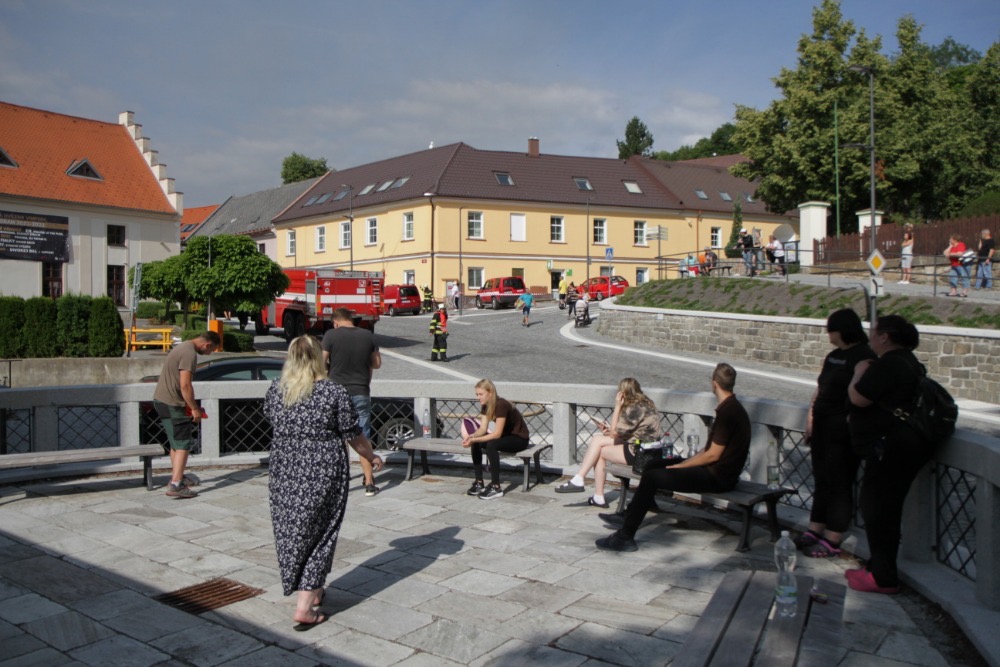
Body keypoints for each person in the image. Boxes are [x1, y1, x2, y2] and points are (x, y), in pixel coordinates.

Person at [265, 335, 383, 629]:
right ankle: (305, 606)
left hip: (284, 470)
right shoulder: (332, 392)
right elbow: (353, 434)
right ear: (319, 358)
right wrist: (371, 456)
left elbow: (271, 419)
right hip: (322, 469)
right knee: (322, 532)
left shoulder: (276, 390)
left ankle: (312, 588)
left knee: (292, 530)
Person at [595, 363, 750, 552]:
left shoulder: (728, 413)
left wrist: (682, 466)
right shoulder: (732, 407)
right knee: (653, 464)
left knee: (652, 477)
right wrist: (684, 461)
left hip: (717, 478)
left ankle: (625, 535)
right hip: (717, 472)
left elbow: (712, 455)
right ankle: (635, 510)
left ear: (714, 383)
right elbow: (709, 450)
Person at [846, 315, 931, 594]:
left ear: (884, 337)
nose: (870, 336)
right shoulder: (909, 362)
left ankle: (883, 577)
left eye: (873, 332)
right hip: (904, 445)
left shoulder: (890, 363)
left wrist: (858, 371)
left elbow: (858, 397)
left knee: (877, 509)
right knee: (883, 508)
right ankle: (877, 569)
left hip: (890, 448)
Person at [799, 309, 875, 558]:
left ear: (842, 331)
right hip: (822, 424)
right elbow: (820, 388)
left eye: (830, 330)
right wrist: (811, 417)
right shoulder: (833, 356)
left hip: (842, 428)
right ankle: (815, 527)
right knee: (822, 478)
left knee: (840, 482)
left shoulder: (863, 356)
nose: (828, 335)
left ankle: (833, 536)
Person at [554, 378, 660, 508]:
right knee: (597, 440)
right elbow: (629, 431)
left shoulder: (634, 408)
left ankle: (593, 491)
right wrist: (608, 431)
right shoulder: (647, 403)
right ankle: (580, 480)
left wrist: (617, 406)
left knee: (600, 452)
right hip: (648, 448)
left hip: (640, 454)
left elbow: (615, 434)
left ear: (623, 393)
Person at [321, 307, 382, 496]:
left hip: (336, 392)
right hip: (361, 391)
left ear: (336, 322)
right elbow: (377, 363)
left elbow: (321, 362)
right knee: (363, 435)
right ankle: (369, 482)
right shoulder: (368, 336)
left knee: (340, 436)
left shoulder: (331, 335)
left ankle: (343, 477)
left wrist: (331, 368)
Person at [153, 330, 221, 499]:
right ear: (207, 345)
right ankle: (176, 484)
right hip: (173, 403)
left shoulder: (183, 346)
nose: (209, 353)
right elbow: (185, 385)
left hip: (161, 400)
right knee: (183, 443)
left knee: (175, 443)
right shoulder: (189, 354)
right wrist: (194, 408)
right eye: (211, 350)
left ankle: (178, 477)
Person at [462, 379, 530, 500]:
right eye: (477, 394)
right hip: (505, 437)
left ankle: (496, 487)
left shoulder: (501, 404)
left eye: (480, 394)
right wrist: (472, 437)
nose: (478, 397)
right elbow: (483, 428)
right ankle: (479, 482)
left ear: (490, 393)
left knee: (491, 445)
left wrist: (475, 439)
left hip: (519, 438)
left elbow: (497, 434)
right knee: (476, 443)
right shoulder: (485, 405)